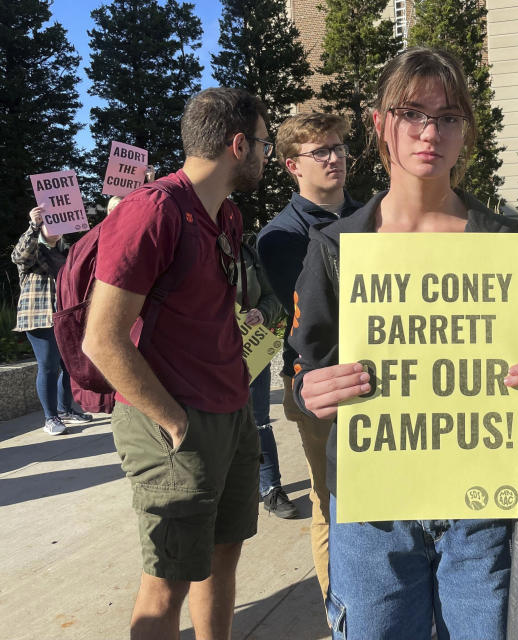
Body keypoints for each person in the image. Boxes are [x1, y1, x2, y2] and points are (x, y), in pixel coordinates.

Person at [290, 47, 518, 637]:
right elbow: (302, 371)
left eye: (448, 116)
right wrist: (309, 390)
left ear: (466, 128)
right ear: (379, 123)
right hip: (373, 513)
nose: (429, 132)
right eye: (411, 112)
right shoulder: (336, 249)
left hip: (481, 507)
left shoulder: (506, 244)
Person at [82, 87, 270, 639]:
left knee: (220, 560)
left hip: (232, 413)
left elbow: (202, 304)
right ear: (238, 145)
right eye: (261, 142)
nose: (264, 153)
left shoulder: (227, 216)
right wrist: (173, 422)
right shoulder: (152, 211)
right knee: (167, 581)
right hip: (173, 423)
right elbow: (102, 339)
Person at [257, 111, 362, 593]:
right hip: (321, 382)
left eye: (339, 147)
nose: (334, 157)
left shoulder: (376, 217)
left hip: (382, 375)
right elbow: (313, 320)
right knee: (332, 503)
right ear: (291, 165)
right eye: (320, 151)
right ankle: (339, 611)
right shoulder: (280, 236)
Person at [11, 206, 92, 435]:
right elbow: (19, 256)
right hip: (38, 316)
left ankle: (65, 409)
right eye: (50, 224)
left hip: (64, 317)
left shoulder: (67, 253)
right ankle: (50, 418)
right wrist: (33, 225)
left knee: (69, 367)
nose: (55, 229)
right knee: (48, 366)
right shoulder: (34, 250)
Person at [237, 235, 293, 517]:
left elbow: (274, 296)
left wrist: (262, 313)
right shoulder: (186, 245)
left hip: (250, 349)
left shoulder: (246, 251)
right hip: (203, 356)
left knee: (258, 421)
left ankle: (270, 488)